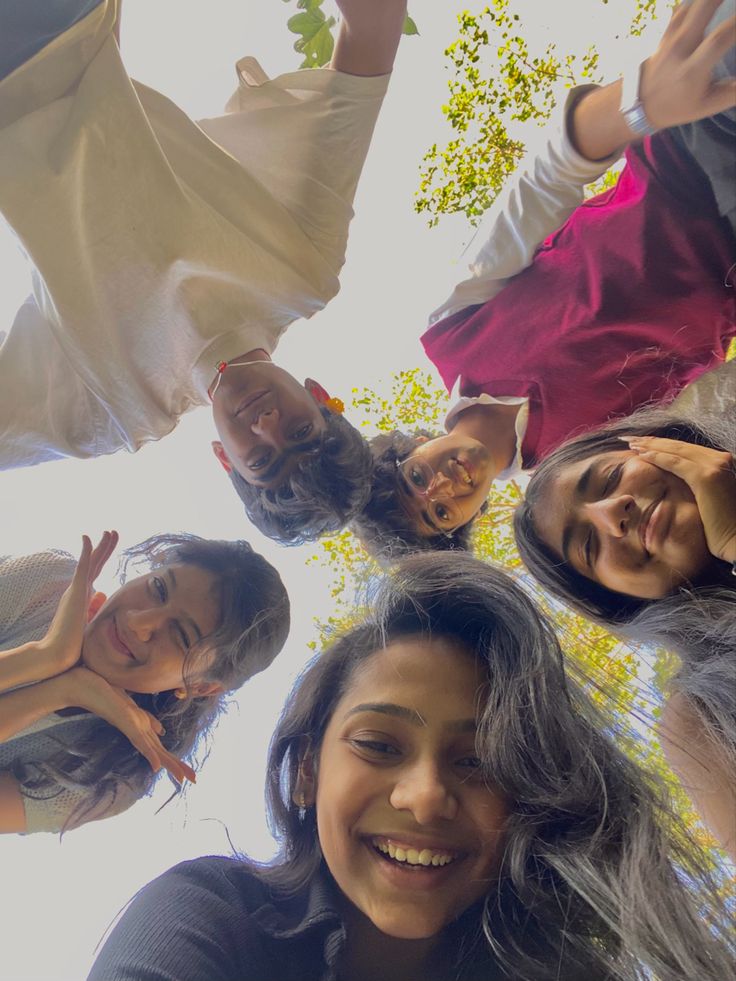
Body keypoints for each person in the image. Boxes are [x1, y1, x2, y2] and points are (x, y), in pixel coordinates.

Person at [88, 553, 732, 981]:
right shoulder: (214, 913)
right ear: (307, 770)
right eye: (379, 744)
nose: (426, 798)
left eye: (479, 761)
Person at [0, 0, 407, 544]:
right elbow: (368, 53)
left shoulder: (116, 409)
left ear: (224, 460)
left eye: (261, 459)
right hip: (64, 23)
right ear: (319, 394)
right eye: (300, 431)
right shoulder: (303, 267)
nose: (265, 424)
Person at [353, 0, 736, 559]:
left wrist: (642, 97)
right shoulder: (577, 472)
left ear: (412, 447)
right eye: (439, 514)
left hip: (686, 148)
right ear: (470, 517)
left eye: (414, 478)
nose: (441, 487)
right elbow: (706, 406)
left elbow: (542, 185)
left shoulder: (453, 328)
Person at [514, 404, 736, 858]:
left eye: (611, 477)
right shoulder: (701, 721)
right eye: (589, 547)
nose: (612, 513)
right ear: (621, 600)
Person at [0, 530, 290, 834]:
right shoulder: (48, 583)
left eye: (180, 637)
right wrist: (44, 658)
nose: (138, 622)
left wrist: (58, 693)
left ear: (201, 686)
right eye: (159, 588)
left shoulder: (111, 778)